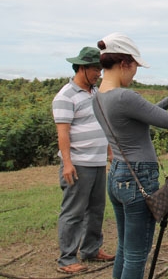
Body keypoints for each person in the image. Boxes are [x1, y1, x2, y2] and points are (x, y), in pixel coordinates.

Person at [92, 32, 168, 279]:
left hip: (118, 175)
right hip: (138, 178)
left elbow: (145, 116)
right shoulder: (124, 96)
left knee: (125, 249)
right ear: (124, 63)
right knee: (137, 255)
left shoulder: (99, 96)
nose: (135, 73)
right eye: (135, 66)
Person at [52, 47, 115, 274]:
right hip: (78, 163)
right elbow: (63, 133)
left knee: (97, 209)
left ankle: (91, 249)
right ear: (82, 68)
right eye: (95, 69)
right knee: (74, 211)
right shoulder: (65, 96)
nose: (99, 73)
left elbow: (103, 124)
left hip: (97, 161)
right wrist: (67, 163)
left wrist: (109, 152)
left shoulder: (95, 93)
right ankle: (67, 259)